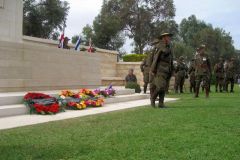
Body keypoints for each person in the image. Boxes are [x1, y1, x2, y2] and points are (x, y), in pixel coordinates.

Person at [150, 32, 174, 108]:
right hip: (160, 69)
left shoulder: (169, 46)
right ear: (164, 38)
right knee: (160, 87)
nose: (169, 38)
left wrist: (172, 70)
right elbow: (155, 58)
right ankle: (153, 98)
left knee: (164, 88)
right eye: (168, 37)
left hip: (167, 70)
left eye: (169, 37)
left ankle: (161, 103)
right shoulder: (160, 46)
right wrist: (152, 70)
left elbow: (171, 60)